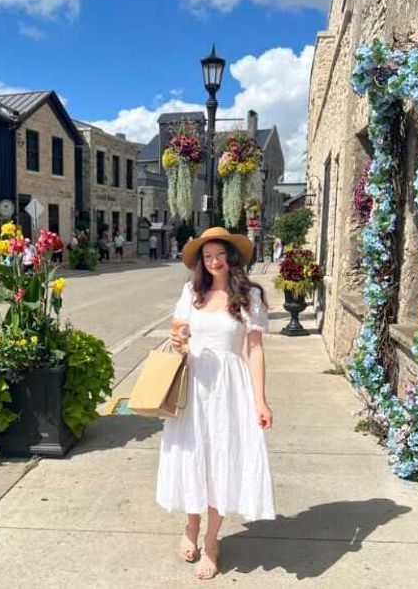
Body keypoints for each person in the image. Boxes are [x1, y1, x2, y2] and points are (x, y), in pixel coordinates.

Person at [158, 227, 273, 580]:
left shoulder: (249, 295)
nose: (214, 262)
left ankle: (211, 540)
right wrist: (178, 341)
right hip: (194, 384)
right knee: (193, 456)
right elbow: (178, 332)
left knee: (221, 459)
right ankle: (191, 526)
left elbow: (254, 349)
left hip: (229, 388)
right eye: (207, 257)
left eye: (219, 255)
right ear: (201, 262)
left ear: (231, 257)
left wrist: (261, 400)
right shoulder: (190, 293)